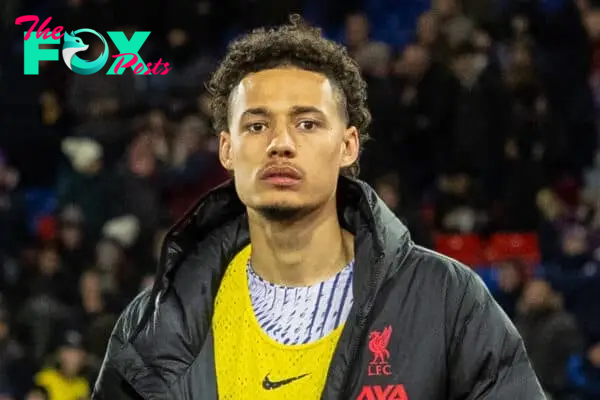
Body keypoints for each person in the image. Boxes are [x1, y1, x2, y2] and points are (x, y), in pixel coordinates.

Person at [93, 15, 545, 399]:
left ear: (348, 145)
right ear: (226, 151)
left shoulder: (446, 298)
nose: (281, 144)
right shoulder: (156, 323)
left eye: (307, 123)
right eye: (257, 125)